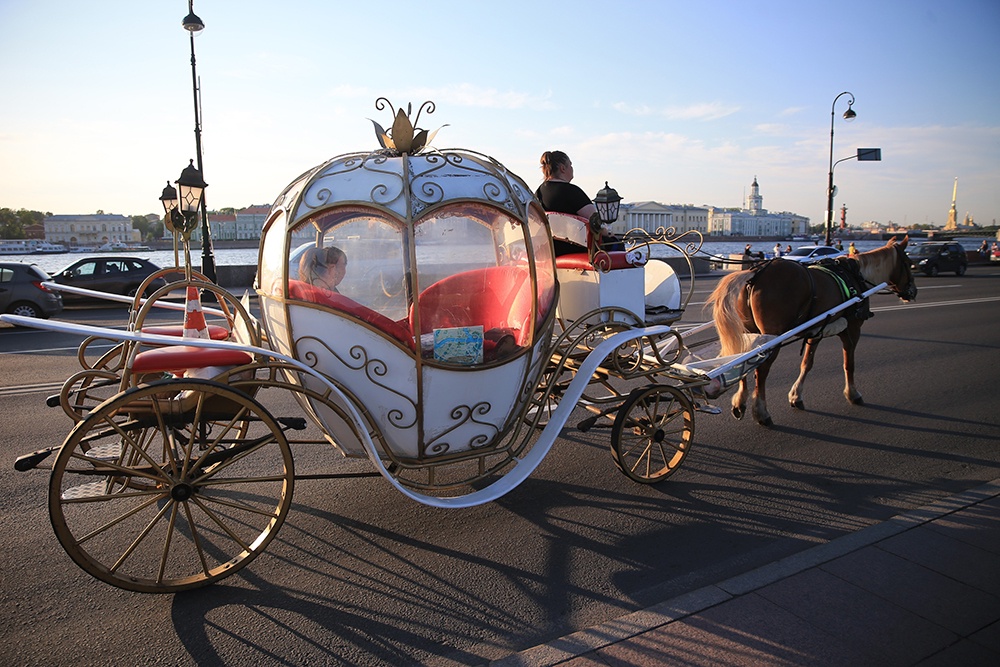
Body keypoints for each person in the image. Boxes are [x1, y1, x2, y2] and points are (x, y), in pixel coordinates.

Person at [535, 150, 621, 254]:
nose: (572, 168)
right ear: (563, 168)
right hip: (575, 248)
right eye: (570, 165)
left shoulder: (539, 192)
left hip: (549, 249)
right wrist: (608, 232)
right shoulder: (571, 191)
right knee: (616, 244)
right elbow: (595, 221)